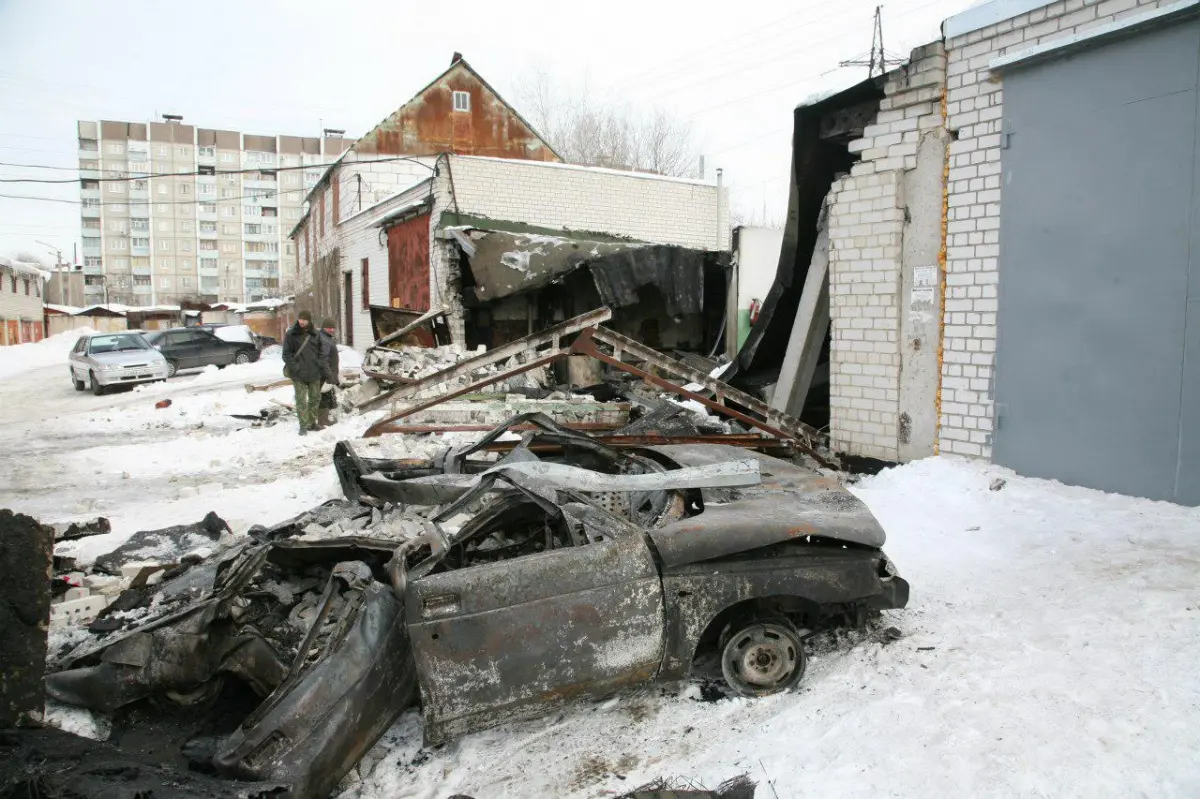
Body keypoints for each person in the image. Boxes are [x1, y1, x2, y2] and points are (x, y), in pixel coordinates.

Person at [282, 310, 332, 435]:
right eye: (300, 318)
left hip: (314, 373)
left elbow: (322, 352)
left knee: (315, 398)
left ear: (309, 320)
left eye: (305, 319)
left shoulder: (315, 334)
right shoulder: (290, 334)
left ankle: (312, 423)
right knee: (301, 401)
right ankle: (303, 426)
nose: (302, 321)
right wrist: (296, 368)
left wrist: (321, 365)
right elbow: (286, 354)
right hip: (298, 375)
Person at [316, 317, 340, 429]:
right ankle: (323, 420)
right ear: (324, 328)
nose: (331, 330)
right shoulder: (325, 340)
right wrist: (329, 375)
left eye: (332, 328)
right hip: (324, 374)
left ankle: (322, 418)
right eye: (329, 327)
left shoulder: (325, 337)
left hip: (326, 373)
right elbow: (323, 359)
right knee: (323, 396)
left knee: (325, 395)